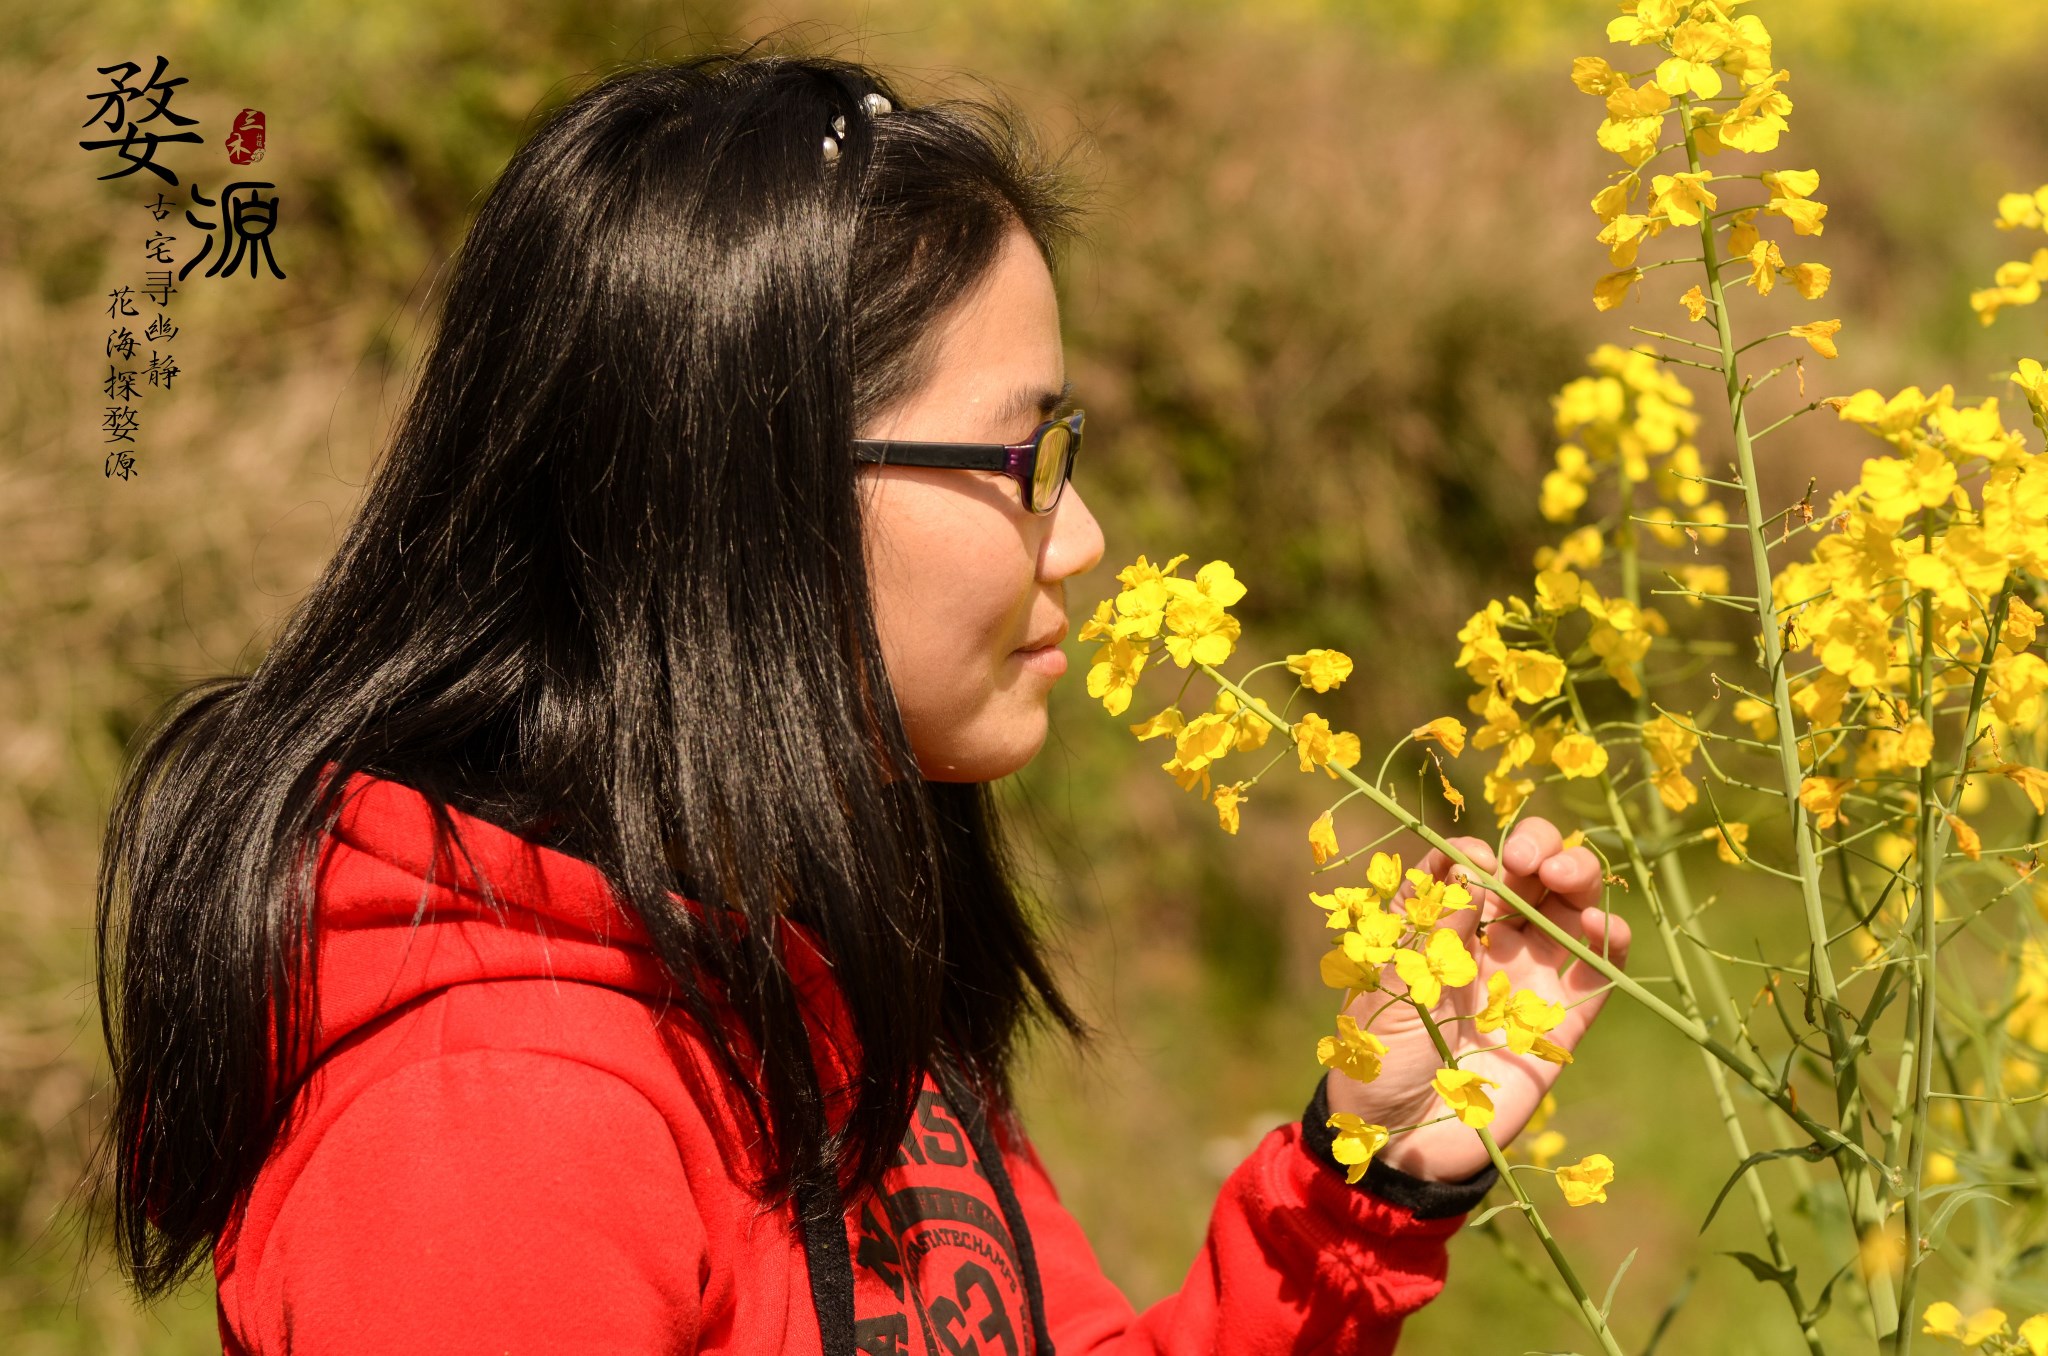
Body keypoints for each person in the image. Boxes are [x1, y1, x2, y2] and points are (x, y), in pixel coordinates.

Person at [90, 46, 1630, 1355]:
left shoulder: (800, 942)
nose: (1082, 541)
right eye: (1022, 459)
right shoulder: (492, 1141)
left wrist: (1363, 1181)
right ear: (745, 505)